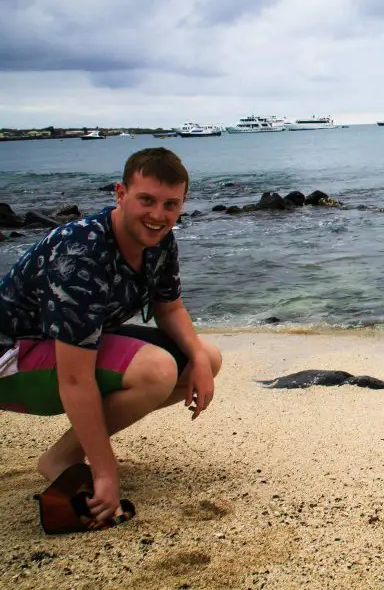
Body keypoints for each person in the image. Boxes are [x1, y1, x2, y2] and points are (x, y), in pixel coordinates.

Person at [0, 147, 222, 525]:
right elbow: (75, 379)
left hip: (72, 344)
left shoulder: (159, 241)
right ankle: (62, 459)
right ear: (120, 193)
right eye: (146, 200)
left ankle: (70, 452)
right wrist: (106, 474)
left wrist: (199, 361)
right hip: (12, 359)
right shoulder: (82, 252)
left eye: (171, 205)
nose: (158, 215)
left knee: (205, 357)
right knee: (156, 370)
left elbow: (168, 307)